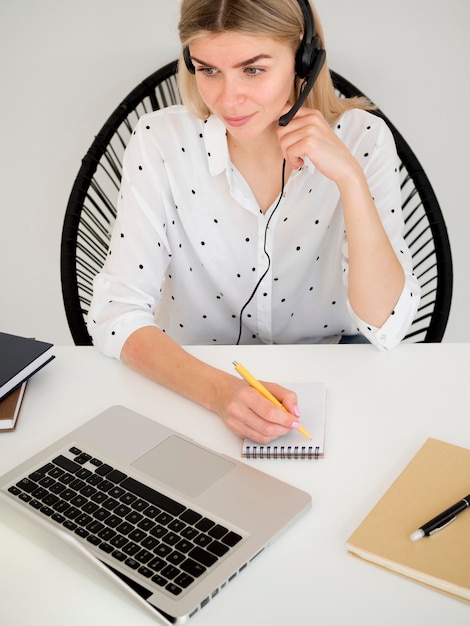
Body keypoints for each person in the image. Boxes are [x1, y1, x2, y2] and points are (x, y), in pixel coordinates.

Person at [88, 0, 420, 444]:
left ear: (304, 58)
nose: (228, 99)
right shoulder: (159, 142)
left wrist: (348, 179)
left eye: (253, 70)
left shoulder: (362, 139)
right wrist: (222, 393)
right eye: (208, 70)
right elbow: (116, 313)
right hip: (197, 382)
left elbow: (388, 324)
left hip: (336, 381)